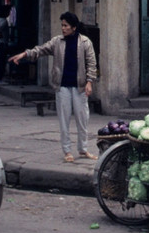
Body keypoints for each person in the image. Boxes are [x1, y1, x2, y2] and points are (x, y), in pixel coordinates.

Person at [9, 11, 98, 163]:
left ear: (74, 27)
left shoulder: (85, 42)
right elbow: (40, 50)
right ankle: (67, 151)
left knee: (83, 118)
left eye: (66, 26)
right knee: (64, 120)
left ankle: (83, 149)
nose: (63, 28)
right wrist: (24, 54)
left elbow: (91, 64)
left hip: (80, 87)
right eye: (62, 25)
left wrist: (90, 82)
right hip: (62, 86)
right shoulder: (57, 42)